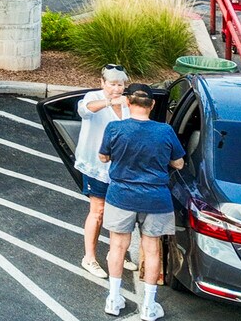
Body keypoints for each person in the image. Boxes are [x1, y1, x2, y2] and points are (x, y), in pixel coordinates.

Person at [99, 84, 185, 320]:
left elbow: (103, 156)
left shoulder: (115, 128)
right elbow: (178, 163)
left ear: (128, 102)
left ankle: (114, 299)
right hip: (156, 198)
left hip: (121, 196)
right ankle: (149, 304)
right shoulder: (165, 131)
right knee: (152, 248)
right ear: (153, 105)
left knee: (117, 247)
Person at [74, 65, 136, 277]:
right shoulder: (94, 97)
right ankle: (89, 258)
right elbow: (85, 109)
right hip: (96, 166)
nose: (116, 89)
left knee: (118, 211)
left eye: (120, 85)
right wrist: (110, 101)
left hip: (120, 168)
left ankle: (115, 253)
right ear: (102, 83)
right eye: (112, 84)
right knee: (98, 210)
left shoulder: (128, 103)